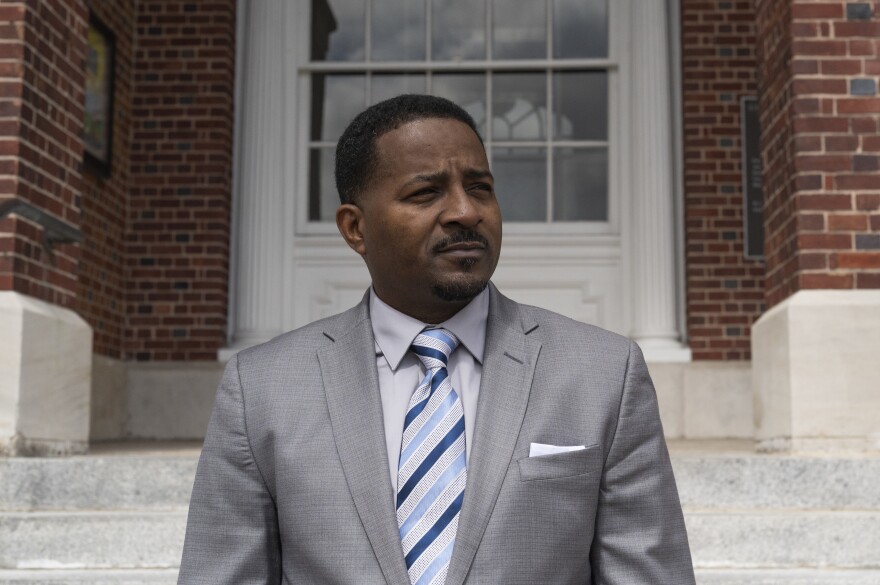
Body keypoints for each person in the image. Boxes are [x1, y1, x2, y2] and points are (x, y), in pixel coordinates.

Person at [178, 94, 695, 584]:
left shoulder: (604, 373)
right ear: (355, 228)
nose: (466, 212)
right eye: (426, 193)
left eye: (480, 188)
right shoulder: (262, 388)